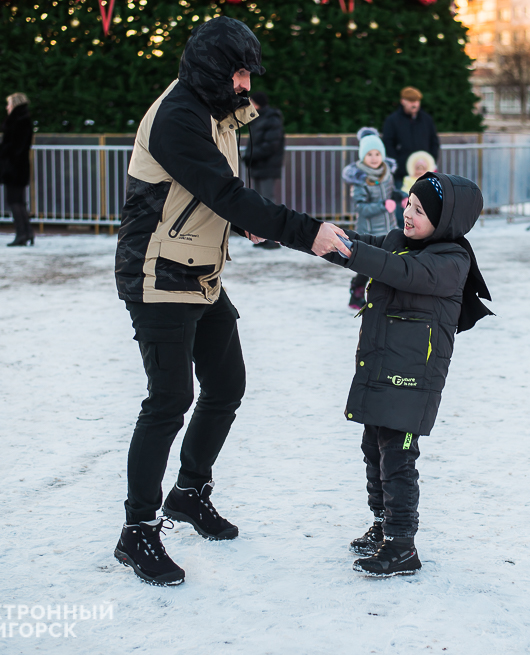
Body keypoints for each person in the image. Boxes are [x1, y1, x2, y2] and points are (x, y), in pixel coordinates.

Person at [113, 16, 351, 587]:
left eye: (249, 72)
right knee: (169, 400)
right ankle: (136, 532)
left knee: (227, 386)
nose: (247, 82)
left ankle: (189, 493)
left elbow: (214, 193)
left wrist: (241, 221)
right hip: (157, 274)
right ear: (214, 71)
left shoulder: (218, 111)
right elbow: (225, 191)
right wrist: (305, 232)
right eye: (239, 71)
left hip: (199, 271)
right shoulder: (178, 118)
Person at [321, 172, 493, 576]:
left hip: (415, 378)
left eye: (419, 209)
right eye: (408, 203)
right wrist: (314, 236)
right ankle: (382, 525)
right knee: (373, 450)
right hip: (382, 367)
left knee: (398, 459)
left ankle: (401, 544)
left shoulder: (451, 261)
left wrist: (354, 253)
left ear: (446, 219)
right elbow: (358, 249)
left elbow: (397, 271)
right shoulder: (400, 242)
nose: (407, 212)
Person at [342, 127, 398, 309]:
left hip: (389, 227)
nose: (374, 158)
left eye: (377, 154)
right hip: (369, 231)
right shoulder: (360, 178)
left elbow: (391, 193)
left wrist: (402, 196)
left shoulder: (386, 173)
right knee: (367, 266)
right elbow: (360, 207)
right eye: (369, 155)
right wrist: (383, 205)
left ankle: (385, 297)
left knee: (389, 265)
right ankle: (357, 292)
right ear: (362, 157)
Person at [244, 90, 286, 248]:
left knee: (268, 202)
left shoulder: (270, 119)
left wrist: (252, 156)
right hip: (259, 165)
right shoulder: (259, 118)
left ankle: (272, 238)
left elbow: (270, 145)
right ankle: (263, 237)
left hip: (266, 166)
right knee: (260, 202)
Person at [0, 93, 33, 247]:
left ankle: (22, 234)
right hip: (19, 167)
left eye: (9, 104)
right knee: (19, 202)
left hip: (14, 168)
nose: (7, 107)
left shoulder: (17, 122)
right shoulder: (23, 121)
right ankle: (26, 233)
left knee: (14, 201)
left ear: (15, 104)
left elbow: (14, 146)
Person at [383, 86, 440, 191]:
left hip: (424, 174)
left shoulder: (427, 119)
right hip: (402, 176)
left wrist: (430, 162)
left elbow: (434, 142)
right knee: (404, 204)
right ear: (403, 101)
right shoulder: (392, 120)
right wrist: (399, 166)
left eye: (417, 101)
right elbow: (388, 144)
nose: (414, 104)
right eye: (411, 101)